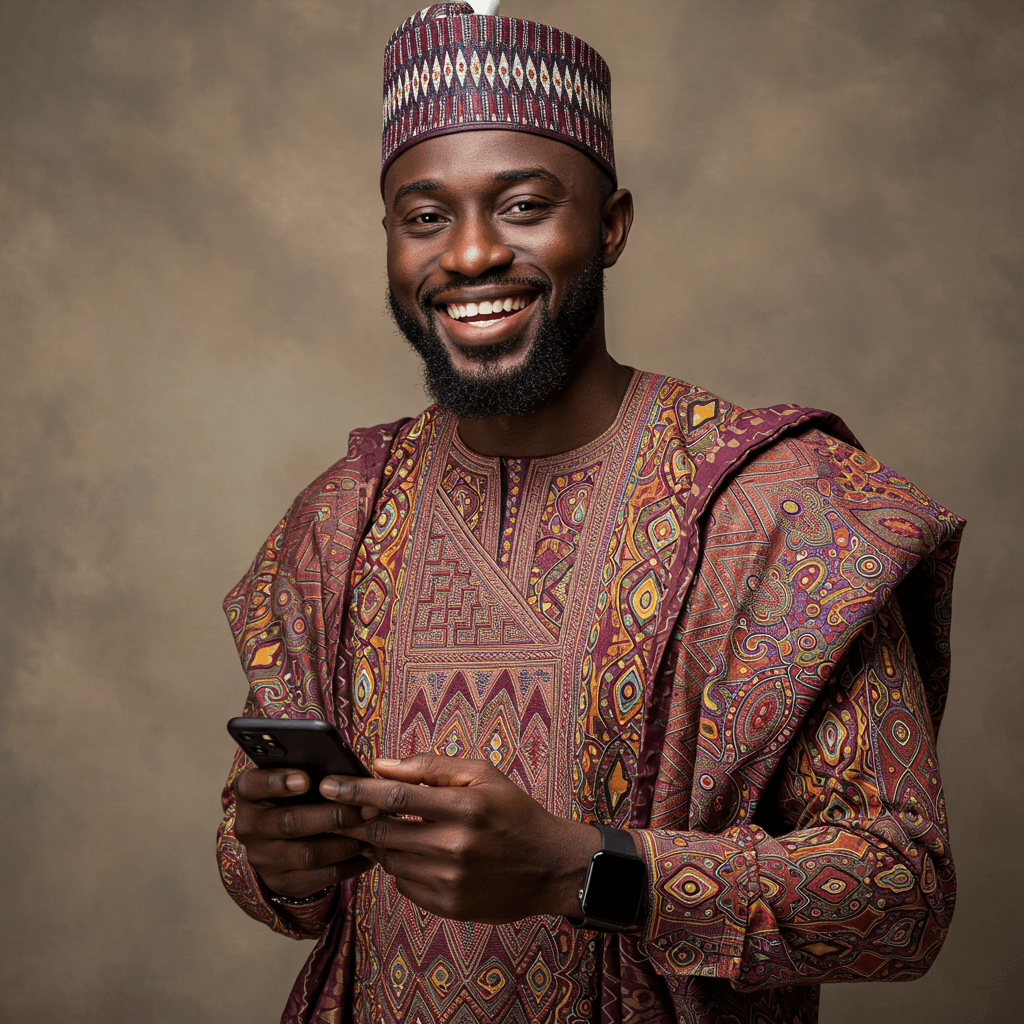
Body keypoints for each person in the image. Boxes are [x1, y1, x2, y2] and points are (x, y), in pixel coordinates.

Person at [216, 3, 965, 1022]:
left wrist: (584, 870)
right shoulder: (335, 521)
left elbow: (899, 895)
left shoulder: (780, 513)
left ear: (609, 224)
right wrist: (279, 855)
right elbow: (258, 859)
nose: (470, 255)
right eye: (425, 217)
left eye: (524, 206)